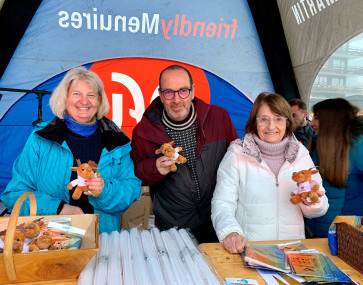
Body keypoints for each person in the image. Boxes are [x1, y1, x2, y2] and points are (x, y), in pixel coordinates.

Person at [1, 66, 141, 234]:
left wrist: (106, 190)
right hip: (50, 239)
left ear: (99, 100)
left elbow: (131, 189)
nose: (84, 102)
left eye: (91, 95)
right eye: (76, 94)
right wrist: (58, 208)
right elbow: (14, 194)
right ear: (64, 98)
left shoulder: (117, 140)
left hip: (103, 238)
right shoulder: (41, 139)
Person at [131, 64, 238, 243]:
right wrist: (154, 168)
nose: (177, 99)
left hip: (218, 223)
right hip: (172, 228)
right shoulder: (144, 131)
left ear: (193, 91)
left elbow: (237, 163)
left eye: (183, 91)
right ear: (160, 94)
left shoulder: (219, 117)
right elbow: (134, 174)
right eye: (169, 92)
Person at [211, 92, 329, 254]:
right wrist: (230, 231)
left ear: (287, 122)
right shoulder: (237, 155)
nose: (271, 126)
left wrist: (312, 203)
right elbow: (223, 202)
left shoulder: (300, 154)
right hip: (251, 251)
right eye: (264, 119)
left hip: (293, 251)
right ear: (254, 122)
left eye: (279, 119)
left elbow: (319, 208)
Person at [305, 98, 363, 238]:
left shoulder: (357, 147)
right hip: (318, 229)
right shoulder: (318, 145)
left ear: (332, 121)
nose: (311, 123)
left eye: (317, 118)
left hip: (346, 234)